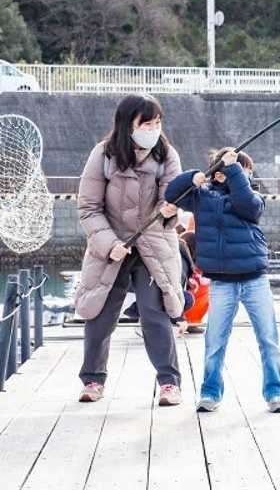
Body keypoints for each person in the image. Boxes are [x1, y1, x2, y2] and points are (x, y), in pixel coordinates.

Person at [75, 94, 185, 406]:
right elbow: (88, 208)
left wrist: (169, 209)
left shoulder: (166, 153)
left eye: (157, 122)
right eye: (146, 123)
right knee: (100, 313)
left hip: (153, 245)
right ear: (128, 125)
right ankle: (93, 380)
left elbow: (174, 196)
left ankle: (169, 383)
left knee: (155, 313)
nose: (153, 128)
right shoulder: (103, 154)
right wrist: (110, 244)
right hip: (111, 246)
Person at [165, 147, 280, 413]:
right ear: (218, 174)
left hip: (255, 278)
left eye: (245, 170)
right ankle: (210, 393)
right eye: (241, 169)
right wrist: (191, 178)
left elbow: (250, 207)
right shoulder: (202, 197)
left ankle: (276, 392)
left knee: (268, 338)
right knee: (215, 342)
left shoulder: (251, 196)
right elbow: (171, 194)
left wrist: (234, 171)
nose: (246, 174)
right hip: (222, 281)